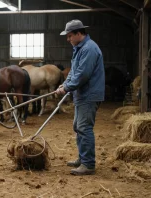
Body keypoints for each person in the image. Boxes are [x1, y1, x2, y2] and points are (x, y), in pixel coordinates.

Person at [56, 19, 105, 175]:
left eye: (70, 36)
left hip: (89, 95)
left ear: (79, 33)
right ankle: (82, 158)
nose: (68, 39)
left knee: (84, 128)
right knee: (78, 127)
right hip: (82, 95)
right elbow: (73, 72)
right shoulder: (79, 48)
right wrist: (64, 85)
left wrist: (67, 88)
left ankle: (88, 164)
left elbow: (83, 75)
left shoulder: (89, 49)